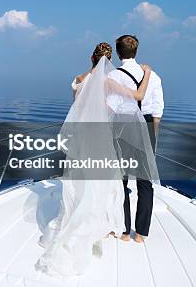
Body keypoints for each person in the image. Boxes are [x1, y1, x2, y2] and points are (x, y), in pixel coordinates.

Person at [36, 42, 156, 278]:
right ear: (108, 61)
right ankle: (95, 228)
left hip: (80, 138)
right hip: (100, 138)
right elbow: (139, 96)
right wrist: (148, 72)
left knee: (78, 182)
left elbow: (79, 106)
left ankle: (75, 222)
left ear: (91, 57)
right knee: (100, 184)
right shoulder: (107, 82)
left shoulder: (79, 79)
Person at [108, 35, 164, 243]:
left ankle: (124, 230)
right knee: (144, 181)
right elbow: (158, 110)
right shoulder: (153, 76)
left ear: (118, 52)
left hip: (123, 125)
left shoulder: (113, 76)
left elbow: (112, 107)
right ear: (136, 51)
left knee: (121, 179)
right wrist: (152, 136)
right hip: (147, 125)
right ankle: (141, 233)